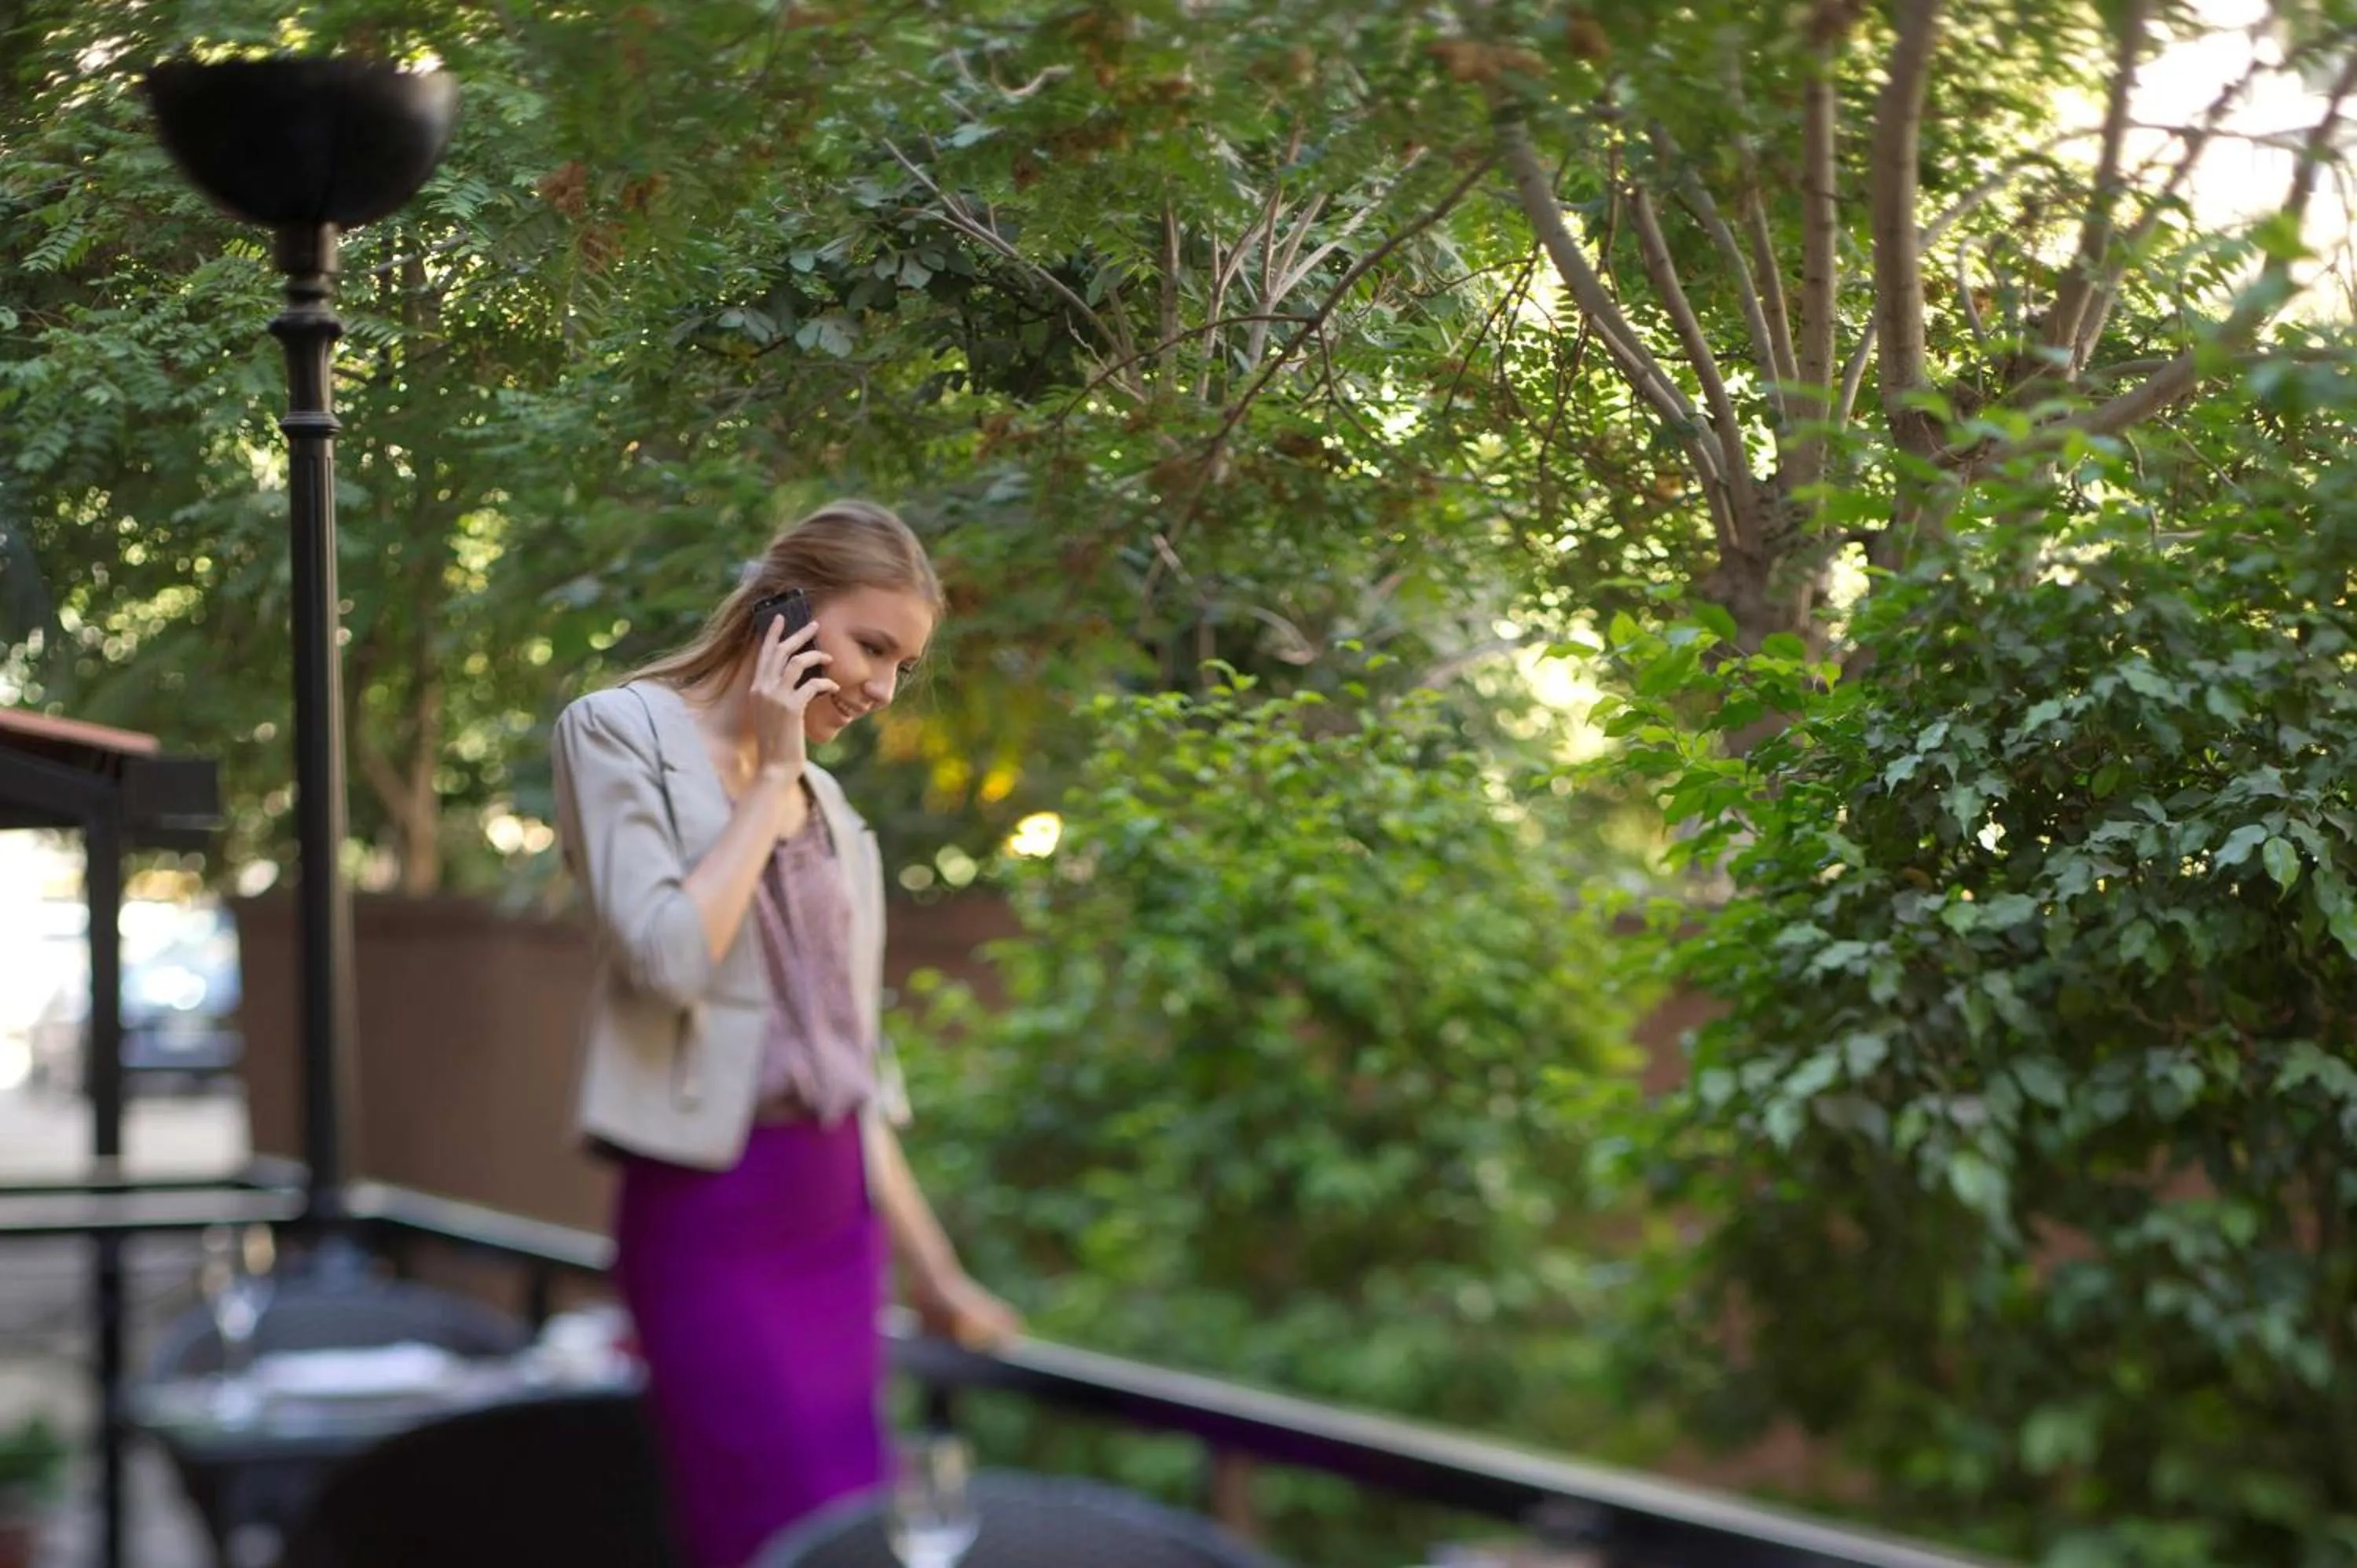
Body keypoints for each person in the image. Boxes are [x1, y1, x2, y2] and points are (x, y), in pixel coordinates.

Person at [549, 499, 1021, 1568]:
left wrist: (935, 1275)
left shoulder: (837, 811)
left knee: (857, 1535)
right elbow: (667, 961)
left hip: (834, 1228)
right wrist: (766, 780)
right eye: (872, 647)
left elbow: (854, 1069)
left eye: (905, 665)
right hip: (711, 1213)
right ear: (786, 610)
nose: (882, 689)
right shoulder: (618, 730)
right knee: (760, 1530)